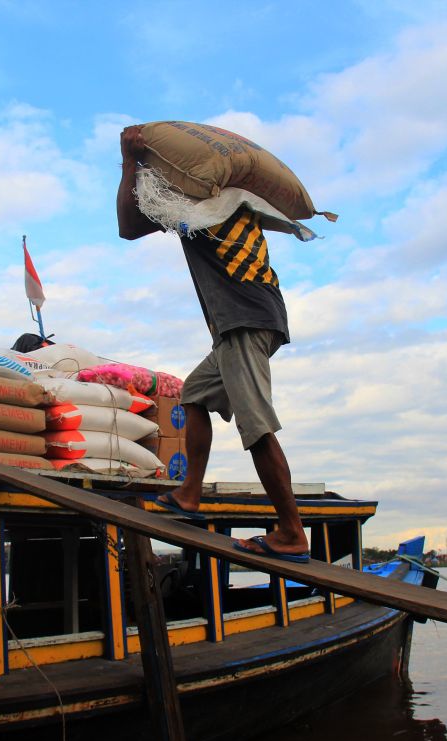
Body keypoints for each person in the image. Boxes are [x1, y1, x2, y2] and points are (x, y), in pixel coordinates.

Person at [116, 125, 310, 563]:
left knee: (256, 424)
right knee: (195, 394)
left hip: (244, 322)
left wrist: (131, 162)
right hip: (249, 321)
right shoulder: (233, 202)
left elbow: (128, 227)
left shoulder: (204, 207)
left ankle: (292, 532)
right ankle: (189, 494)